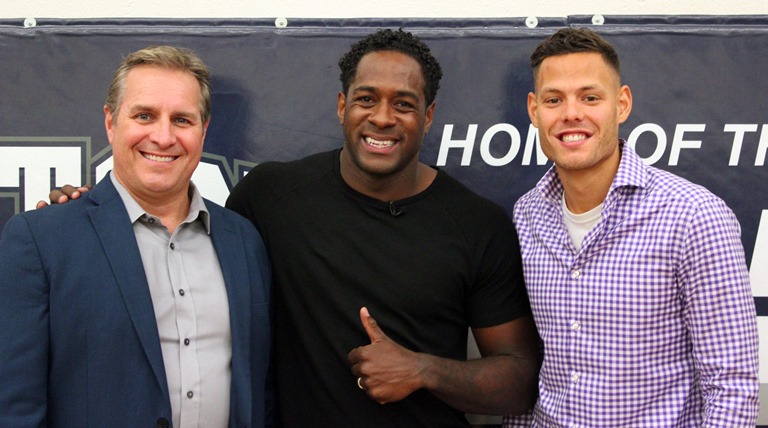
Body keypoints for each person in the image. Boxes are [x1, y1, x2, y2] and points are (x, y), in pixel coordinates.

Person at [224, 29, 539, 426]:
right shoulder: (269, 198)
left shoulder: (477, 225)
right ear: (342, 106)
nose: (382, 117)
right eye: (366, 99)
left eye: (403, 104)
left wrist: (423, 370)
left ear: (427, 117)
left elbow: (520, 383)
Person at [0, 45, 273, 427]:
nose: (163, 137)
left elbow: (260, 390)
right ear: (111, 123)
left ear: (204, 130)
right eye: (144, 115)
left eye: (182, 120)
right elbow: (15, 407)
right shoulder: (41, 240)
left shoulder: (243, 240)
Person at [503, 28, 760, 427]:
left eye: (590, 97)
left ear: (621, 104)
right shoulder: (527, 215)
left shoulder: (693, 216)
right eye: (555, 100)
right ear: (534, 110)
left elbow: (731, 386)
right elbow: (537, 365)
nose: (571, 113)